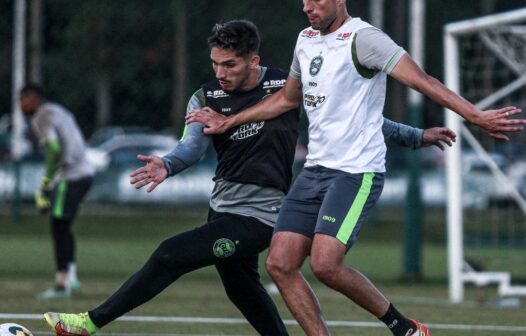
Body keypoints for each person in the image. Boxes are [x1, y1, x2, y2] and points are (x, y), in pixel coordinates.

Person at [42, 20, 455, 336]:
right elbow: (191, 146)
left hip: (265, 216)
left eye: (230, 64)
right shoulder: (206, 97)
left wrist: (418, 136)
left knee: (171, 254)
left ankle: (90, 323)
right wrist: (168, 164)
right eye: (216, 64)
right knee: (243, 290)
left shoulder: (285, 87)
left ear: (253, 60)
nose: (221, 72)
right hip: (222, 210)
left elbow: (359, 121)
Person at [186, 2, 526, 336]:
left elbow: (421, 80)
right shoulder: (305, 39)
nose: (308, 6)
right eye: (305, 0)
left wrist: (474, 115)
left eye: (317, 0)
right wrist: (231, 120)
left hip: (356, 172)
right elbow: (287, 99)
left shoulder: (365, 39)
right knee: (280, 263)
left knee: (324, 264)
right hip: (315, 170)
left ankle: (404, 328)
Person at [19, 83, 94, 299]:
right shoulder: (59, 110)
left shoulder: (41, 117)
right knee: (62, 226)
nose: (21, 105)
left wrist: (45, 184)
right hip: (85, 172)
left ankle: (64, 283)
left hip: (70, 175)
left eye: (22, 99)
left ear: (33, 98)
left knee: (59, 226)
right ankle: (71, 278)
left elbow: (53, 149)